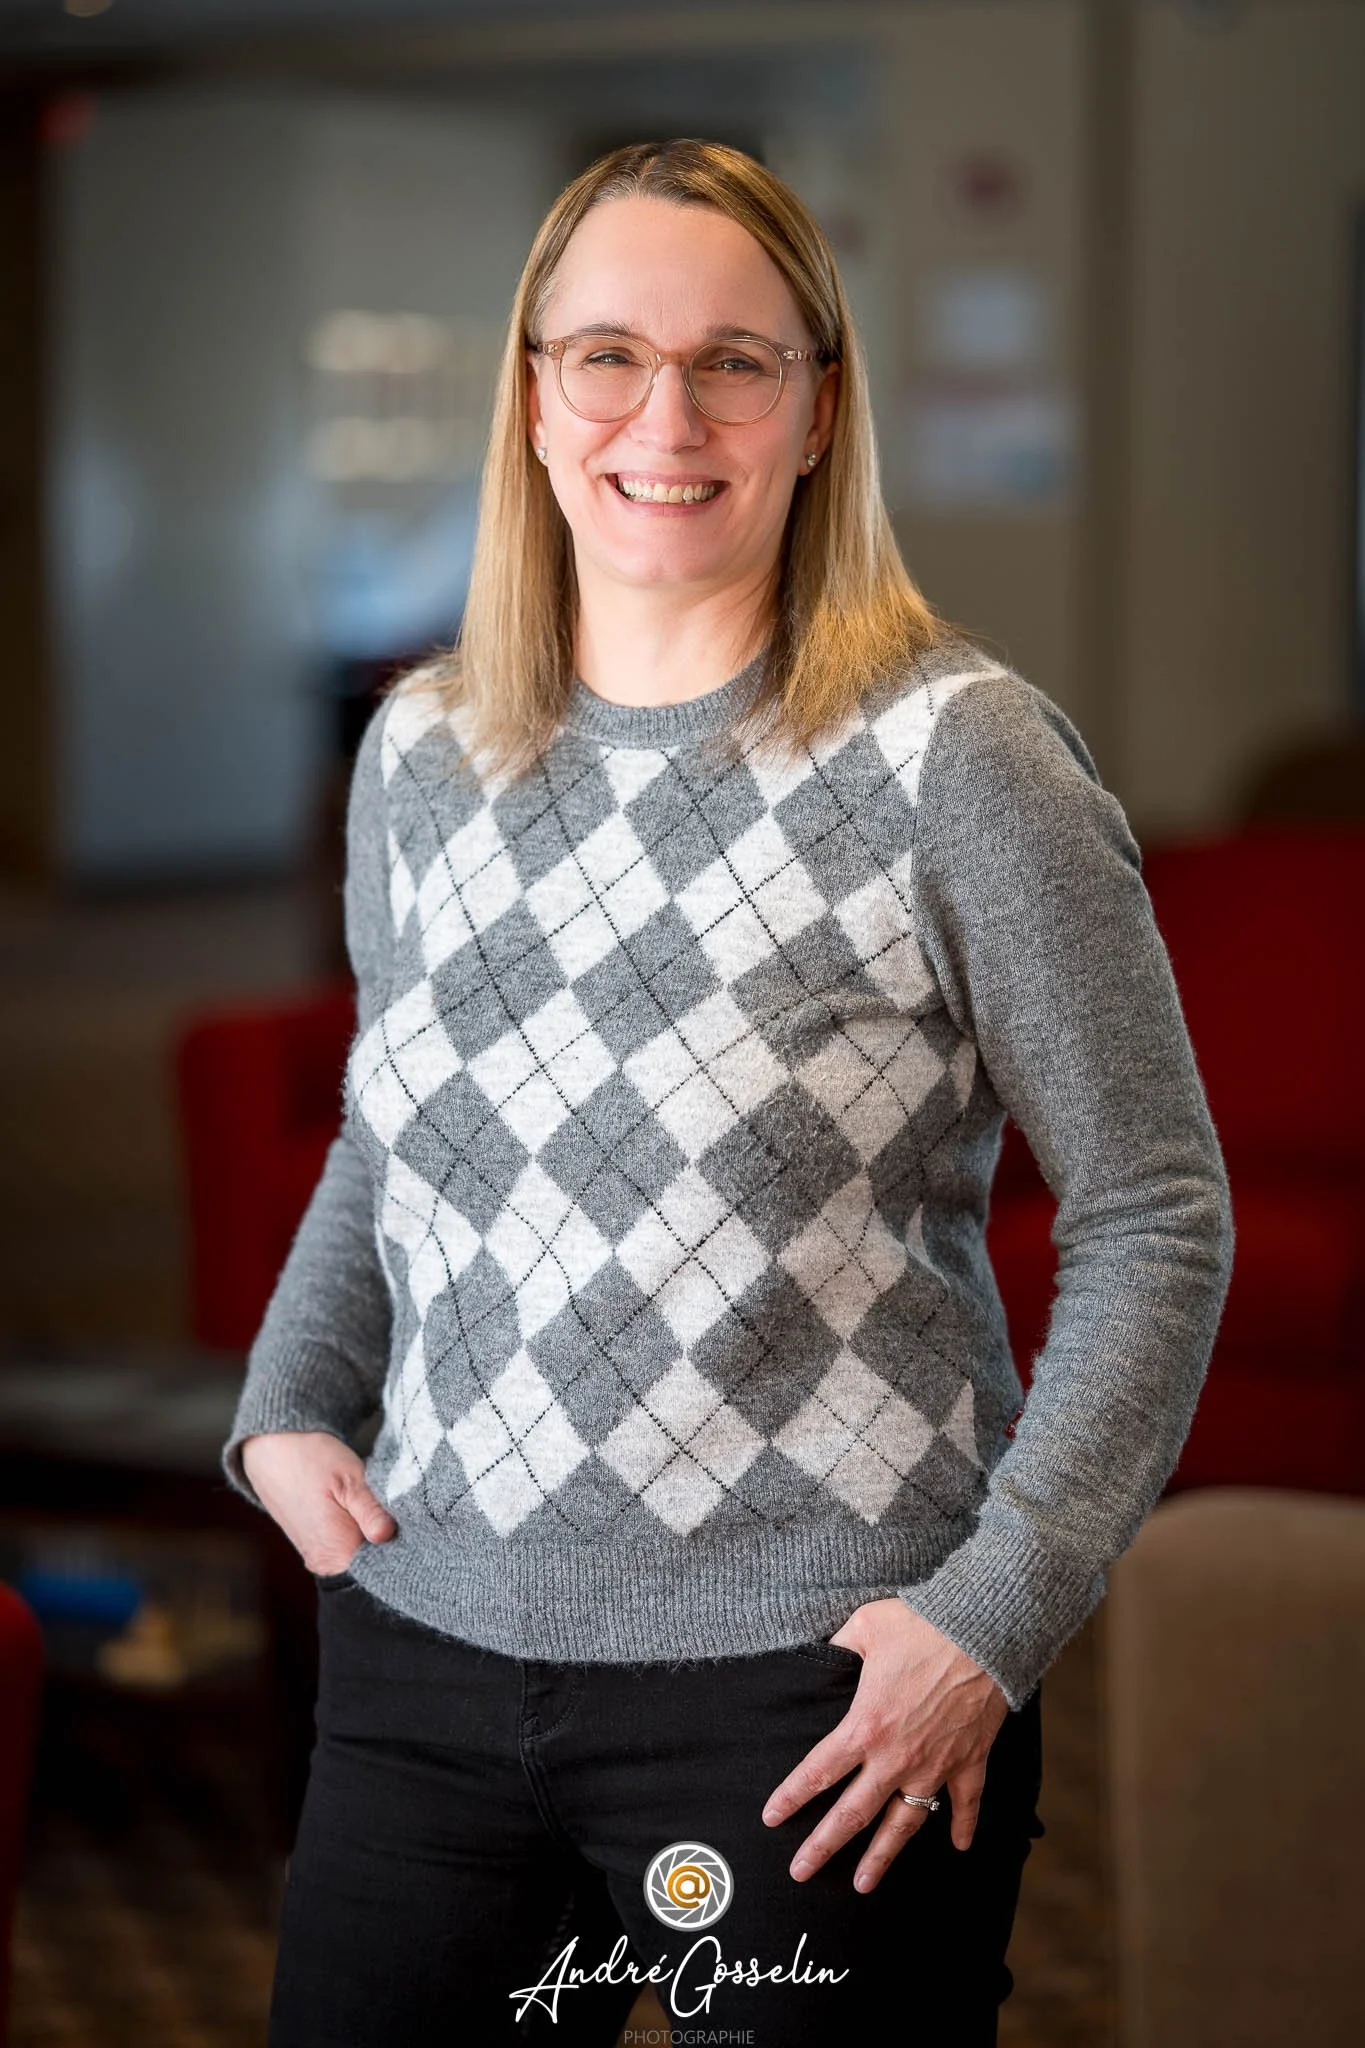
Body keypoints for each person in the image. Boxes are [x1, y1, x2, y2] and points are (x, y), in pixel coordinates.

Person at [223, 138, 1233, 2047]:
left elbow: (1155, 1216)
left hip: (819, 1698)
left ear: (820, 407)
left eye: (735, 363)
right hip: (425, 1657)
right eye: (607, 356)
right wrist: (288, 1402)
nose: (665, 419)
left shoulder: (959, 758)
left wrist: (994, 1616)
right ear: (534, 397)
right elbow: (395, 1124)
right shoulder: (422, 751)